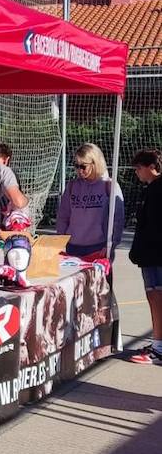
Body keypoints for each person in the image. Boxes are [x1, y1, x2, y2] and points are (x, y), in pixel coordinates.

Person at [56, 142, 124, 259]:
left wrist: (111, 244)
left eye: (83, 166)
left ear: (95, 163)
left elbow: (117, 219)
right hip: (72, 246)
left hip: (99, 247)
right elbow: (63, 216)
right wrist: (60, 240)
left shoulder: (109, 185)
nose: (79, 170)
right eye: (76, 166)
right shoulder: (72, 186)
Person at [127, 148, 162, 365]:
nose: (137, 172)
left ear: (152, 167)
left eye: (139, 168)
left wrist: (142, 250)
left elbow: (152, 227)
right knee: (154, 296)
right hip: (150, 253)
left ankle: (158, 349)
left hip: (155, 254)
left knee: (156, 297)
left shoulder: (157, 190)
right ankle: (158, 343)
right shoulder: (151, 189)